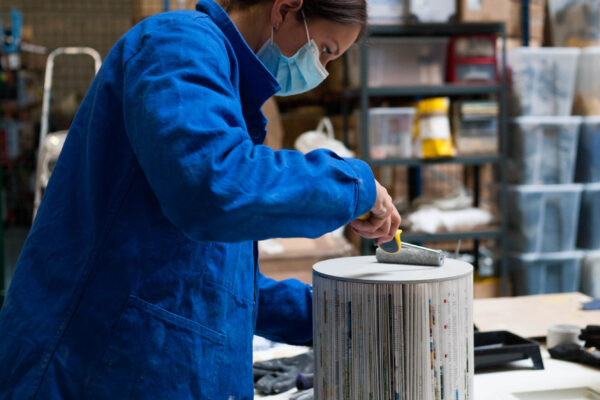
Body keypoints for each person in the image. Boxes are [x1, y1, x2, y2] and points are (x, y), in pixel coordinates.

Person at [0, 0, 401, 398]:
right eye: (325, 51)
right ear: (284, 9)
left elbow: (214, 282)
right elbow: (215, 188)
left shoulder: (227, 92)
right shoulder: (177, 45)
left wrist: (333, 314)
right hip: (91, 370)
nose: (321, 71)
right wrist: (355, 184)